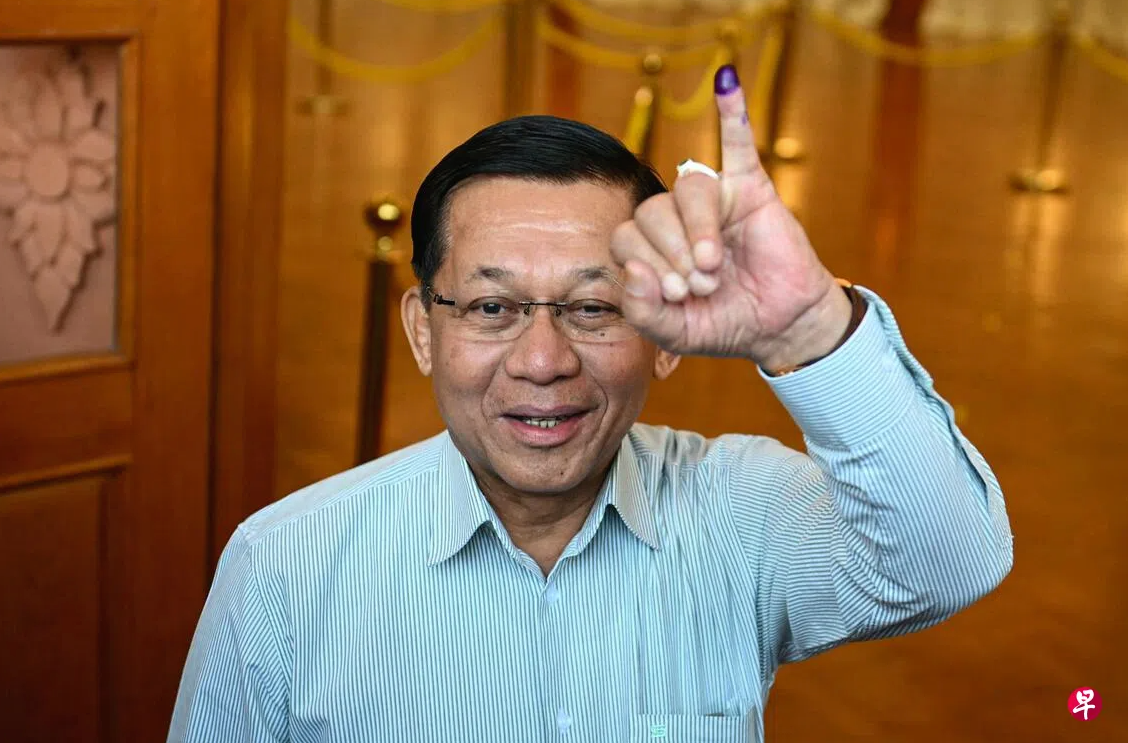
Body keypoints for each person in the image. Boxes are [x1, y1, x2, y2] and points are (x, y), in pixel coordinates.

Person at [168, 66, 1013, 742]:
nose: (543, 361)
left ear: (665, 336)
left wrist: (808, 327)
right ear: (423, 330)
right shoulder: (286, 567)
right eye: (492, 307)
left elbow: (948, 562)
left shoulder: (740, 513)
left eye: (594, 307)